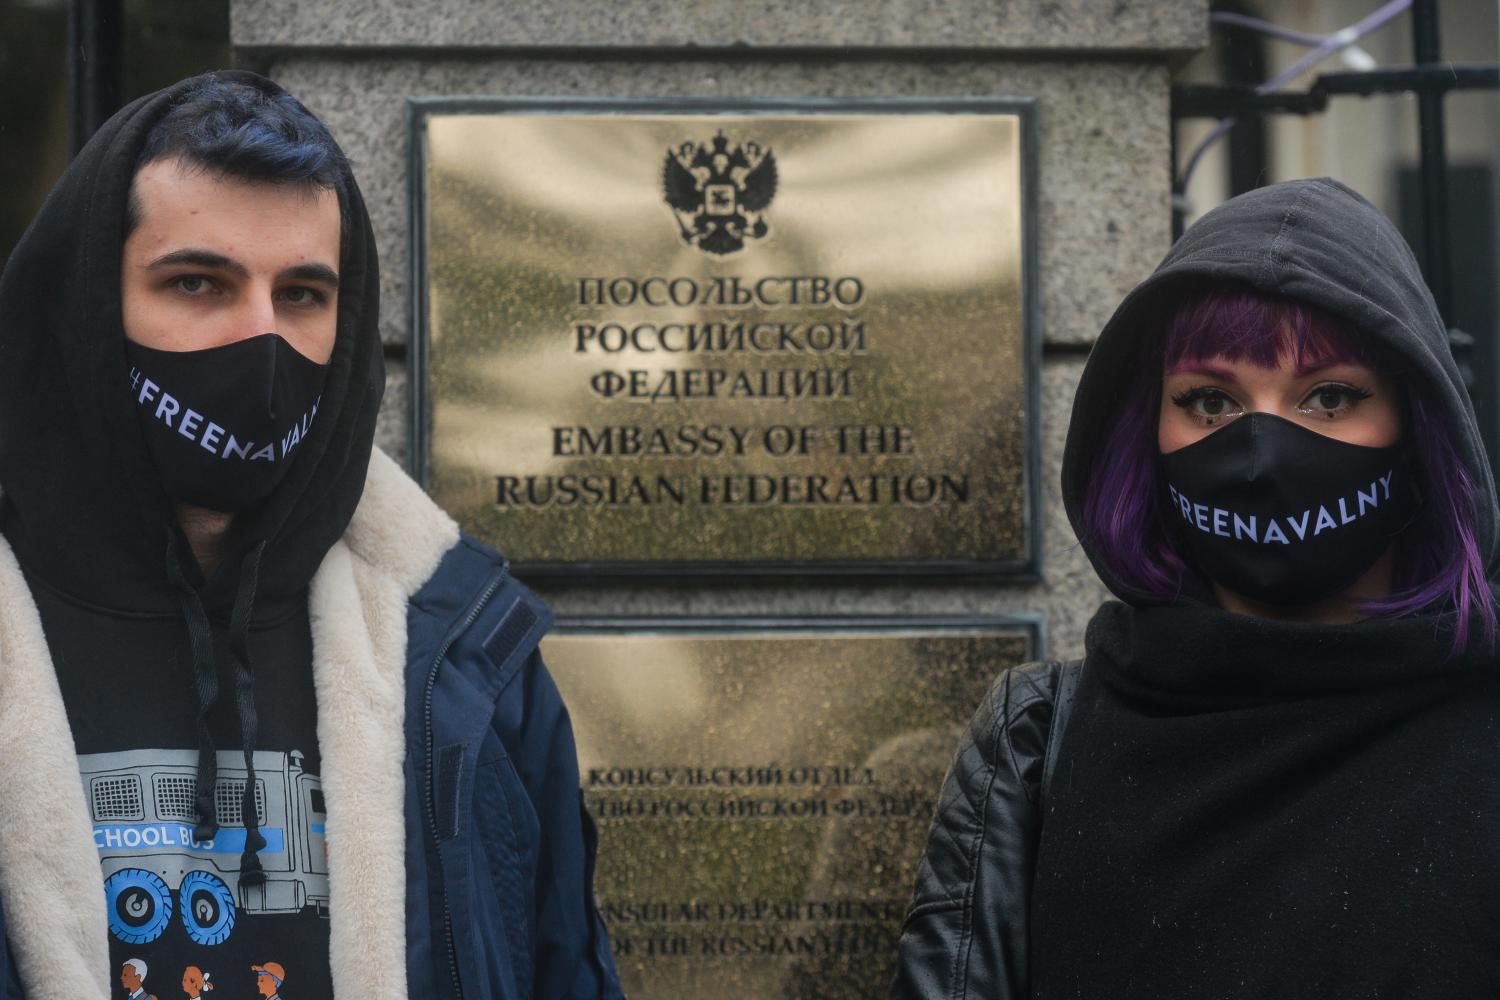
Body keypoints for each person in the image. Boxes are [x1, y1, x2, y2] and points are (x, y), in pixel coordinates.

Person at [0, 71, 621, 999]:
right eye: (197, 282)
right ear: (86, 306)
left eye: (301, 295)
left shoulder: (463, 657)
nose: (261, 344)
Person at [890, 177, 1500, 998]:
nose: (1260, 452)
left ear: (1417, 431)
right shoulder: (1037, 744)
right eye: (1209, 401)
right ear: (1147, 434)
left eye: (1329, 397)